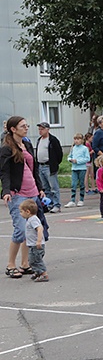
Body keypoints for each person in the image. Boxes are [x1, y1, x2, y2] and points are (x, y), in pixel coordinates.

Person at [1, 117, 46, 278]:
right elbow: (4, 172)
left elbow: (34, 168)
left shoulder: (27, 144)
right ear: (13, 129)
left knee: (30, 230)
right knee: (20, 230)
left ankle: (25, 263)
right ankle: (11, 264)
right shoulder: (7, 148)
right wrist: (5, 191)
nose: (26, 128)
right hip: (17, 193)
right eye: (22, 126)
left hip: (32, 192)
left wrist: (40, 188)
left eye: (27, 125)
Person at [34, 122, 63, 212]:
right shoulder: (39, 140)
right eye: (39, 129)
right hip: (40, 166)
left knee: (53, 187)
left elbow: (59, 154)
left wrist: (54, 163)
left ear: (47, 129)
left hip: (49, 166)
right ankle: (49, 204)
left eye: (42, 129)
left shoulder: (52, 140)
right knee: (45, 188)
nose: (40, 131)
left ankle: (56, 205)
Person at [19, 199, 47, 282]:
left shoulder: (33, 219)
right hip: (32, 244)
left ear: (27, 211)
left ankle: (44, 274)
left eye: (21, 212)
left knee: (36, 260)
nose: (20, 214)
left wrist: (38, 241)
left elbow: (40, 228)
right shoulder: (30, 219)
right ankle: (37, 272)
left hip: (36, 245)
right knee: (31, 260)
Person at [65, 133, 91, 207]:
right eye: (75, 139)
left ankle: (81, 199)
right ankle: (72, 200)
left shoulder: (85, 148)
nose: (76, 141)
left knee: (81, 184)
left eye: (78, 139)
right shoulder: (73, 148)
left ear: (82, 140)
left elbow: (87, 159)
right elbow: (69, 156)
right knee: (73, 184)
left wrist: (78, 161)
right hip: (74, 168)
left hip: (82, 168)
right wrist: (70, 160)